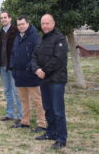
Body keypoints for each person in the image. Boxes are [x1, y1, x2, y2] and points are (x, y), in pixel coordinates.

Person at [32, 14, 68, 149]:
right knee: (48, 108)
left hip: (56, 80)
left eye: (47, 23)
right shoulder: (41, 39)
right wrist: (36, 69)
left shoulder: (60, 39)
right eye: (43, 23)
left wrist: (43, 71)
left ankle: (61, 138)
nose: (45, 26)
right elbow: (34, 56)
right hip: (44, 80)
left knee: (58, 110)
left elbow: (57, 59)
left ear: (54, 23)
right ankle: (51, 133)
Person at [10, 15, 46, 132]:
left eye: (22, 24)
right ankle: (25, 122)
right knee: (23, 100)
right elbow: (13, 54)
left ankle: (42, 124)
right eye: (19, 24)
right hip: (19, 75)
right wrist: (13, 67)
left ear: (28, 24)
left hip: (32, 75)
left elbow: (38, 56)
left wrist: (31, 68)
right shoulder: (17, 37)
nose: (20, 26)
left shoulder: (35, 37)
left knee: (37, 101)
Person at [0, 12, 22, 122]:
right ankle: (9, 114)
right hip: (2, 66)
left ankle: (20, 116)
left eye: (5, 17)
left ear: (10, 18)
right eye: (2, 18)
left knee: (16, 91)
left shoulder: (16, 32)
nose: (3, 19)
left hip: (13, 66)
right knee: (7, 91)